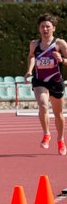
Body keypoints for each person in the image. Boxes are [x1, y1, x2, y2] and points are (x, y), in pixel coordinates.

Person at [25, 13, 66, 155]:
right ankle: (46, 134)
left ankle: (60, 139)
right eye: (42, 26)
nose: (45, 29)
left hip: (55, 81)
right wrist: (29, 71)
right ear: (39, 29)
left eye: (48, 26)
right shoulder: (34, 44)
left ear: (53, 28)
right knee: (42, 104)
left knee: (58, 113)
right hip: (39, 80)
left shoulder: (60, 44)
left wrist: (61, 59)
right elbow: (31, 57)